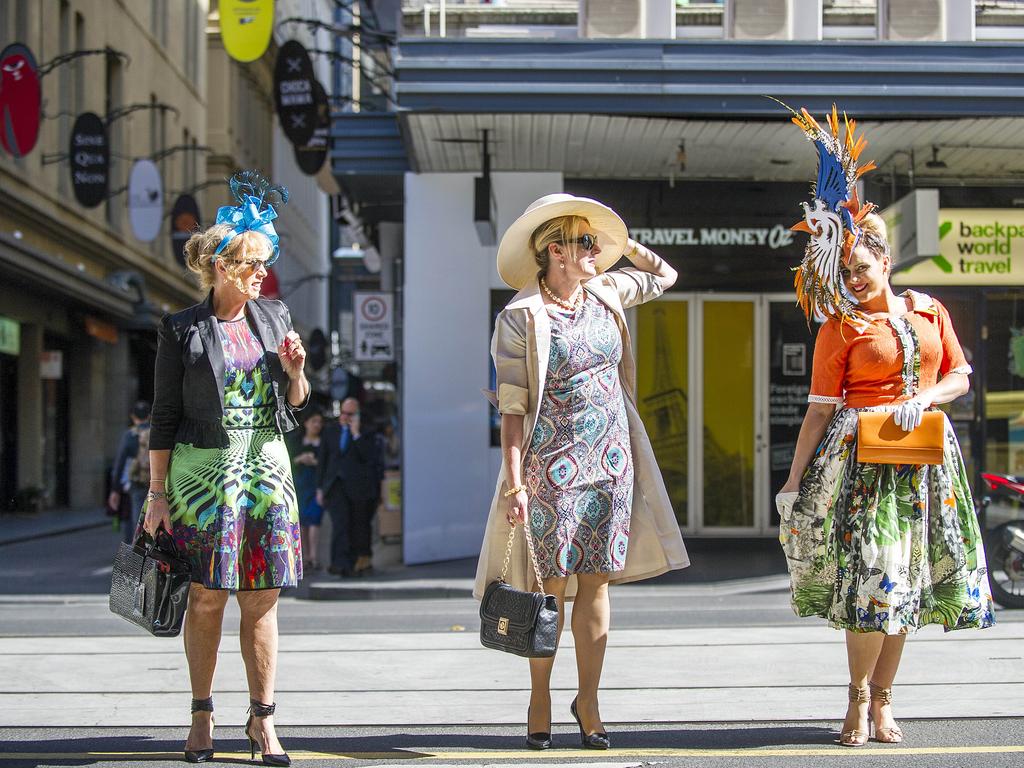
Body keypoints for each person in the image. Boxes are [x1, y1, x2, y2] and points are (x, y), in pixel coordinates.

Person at [776, 107, 994, 748]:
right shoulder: (839, 327)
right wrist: (793, 482)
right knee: (874, 575)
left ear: (886, 261)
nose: (853, 281)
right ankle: (854, 698)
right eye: (845, 273)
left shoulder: (930, 310)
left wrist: (924, 398)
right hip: (861, 462)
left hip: (925, 456)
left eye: (862, 270)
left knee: (907, 581)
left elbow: (962, 377)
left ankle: (884, 702)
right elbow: (819, 408)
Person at [475, 193, 690, 750]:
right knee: (550, 590)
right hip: (551, 468)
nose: (597, 250)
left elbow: (666, 274)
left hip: (611, 462)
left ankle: (589, 700)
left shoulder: (607, 291)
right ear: (554, 252)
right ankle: (540, 696)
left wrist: (624, 246)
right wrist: (516, 482)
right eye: (585, 242)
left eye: (597, 242)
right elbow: (513, 409)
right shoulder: (520, 317)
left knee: (596, 584)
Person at [143, 172, 309, 766]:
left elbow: (296, 401)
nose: (260, 274)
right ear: (219, 264)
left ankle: (263, 720)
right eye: (249, 264)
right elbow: (163, 417)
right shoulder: (182, 329)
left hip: (266, 472)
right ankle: (202, 712)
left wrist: (295, 372)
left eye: (263, 263)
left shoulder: (275, 316)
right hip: (201, 476)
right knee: (208, 598)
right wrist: (156, 493)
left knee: (262, 600)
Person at [316, 397, 385, 577]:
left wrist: (356, 434)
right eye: (343, 413)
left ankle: (355, 562)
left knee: (356, 525)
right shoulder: (330, 432)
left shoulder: (366, 433)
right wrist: (320, 488)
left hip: (357, 487)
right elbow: (323, 460)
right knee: (339, 524)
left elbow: (369, 457)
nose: (345, 417)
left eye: (350, 414)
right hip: (335, 485)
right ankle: (339, 563)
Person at [108, 400, 151, 543]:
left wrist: (115, 490)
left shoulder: (130, 435)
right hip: (156, 482)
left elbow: (120, 463)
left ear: (133, 417)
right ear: (149, 416)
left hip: (136, 482)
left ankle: (136, 551)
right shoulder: (156, 433)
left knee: (136, 518)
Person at [290, 409, 324, 571]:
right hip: (300, 484)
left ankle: (314, 557)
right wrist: (300, 459)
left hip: (316, 485)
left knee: (315, 520)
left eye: (319, 422)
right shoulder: (296, 441)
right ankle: (303, 557)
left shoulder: (323, 442)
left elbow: (327, 464)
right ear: (306, 423)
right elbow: (289, 461)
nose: (316, 425)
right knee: (302, 521)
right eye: (313, 421)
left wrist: (315, 462)